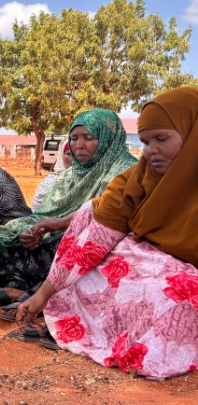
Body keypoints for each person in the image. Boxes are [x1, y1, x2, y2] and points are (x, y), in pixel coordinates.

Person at [16, 87, 198, 380]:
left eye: (162, 139)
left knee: (182, 293)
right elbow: (94, 239)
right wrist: (43, 296)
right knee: (97, 249)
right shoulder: (136, 180)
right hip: (146, 263)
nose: (151, 150)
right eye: (146, 141)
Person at [0, 109, 138, 313]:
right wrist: (32, 232)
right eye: (74, 138)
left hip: (105, 242)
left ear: (108, 139)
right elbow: (45, 214)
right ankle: (17, 289)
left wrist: (56, 226)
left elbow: (105, 220)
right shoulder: (68, 176)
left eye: (88, 138)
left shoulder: (127, 171)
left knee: (68, 245)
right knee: (14, 241)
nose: (78, 145)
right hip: (60, 234)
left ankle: (36, 296)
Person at [30, 141, 72, 211]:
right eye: (69, 154)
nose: (74, 159)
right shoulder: (50, 182)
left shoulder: (94, 180)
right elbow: (37, 209)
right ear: (61, 156)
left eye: (80, 154)